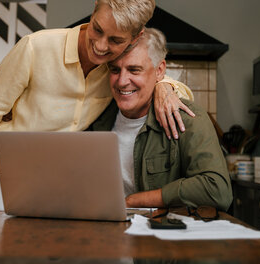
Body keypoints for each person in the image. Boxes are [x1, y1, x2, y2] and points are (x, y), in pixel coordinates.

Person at [0, 0, 194, 199]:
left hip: (55, 183)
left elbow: (166, 84)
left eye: (115, 40)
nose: (101, 46)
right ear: (93, 11)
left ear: (136, 37)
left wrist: (165, 86)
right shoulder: (35, 48)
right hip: (1, 175)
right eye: (97, 29)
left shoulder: (115, 71)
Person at [88, 28, 232, 211]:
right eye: (115, 70)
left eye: (134, 70)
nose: (122, 81)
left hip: (161, 235)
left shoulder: (187, 117)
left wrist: (135, 201)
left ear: (159, 70)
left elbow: (217, 190)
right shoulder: (95, 118)